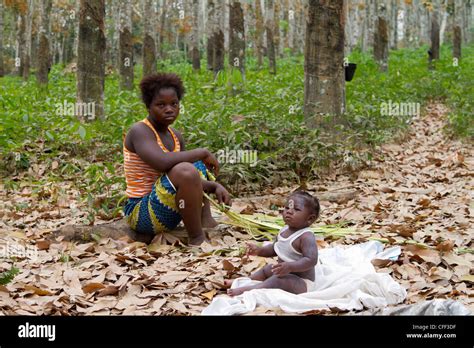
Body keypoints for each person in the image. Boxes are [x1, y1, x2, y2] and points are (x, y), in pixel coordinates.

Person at [123, 73, 231, 246]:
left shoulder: (175, 136)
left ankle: (206, 220)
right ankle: (197, 239)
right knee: (187, 168)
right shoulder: (139, 131)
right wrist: (203, 152)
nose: (169, 109)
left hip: (168, 211)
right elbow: (163, 162)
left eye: (174, 104)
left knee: (194, 166)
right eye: (161, 104)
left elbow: (188, 181)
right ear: (148, 106)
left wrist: (214, 186)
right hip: (142, 213)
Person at [226, 191, 319, 296]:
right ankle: (246, 281)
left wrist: (290, 267)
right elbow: (275, 248)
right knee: (268, 268)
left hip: (302, 282)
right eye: (287, 208)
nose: (289, 212)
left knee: (277, 280)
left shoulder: (306, 236)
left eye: (296, 209)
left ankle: (250, 289)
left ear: (310, 218)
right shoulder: (284, 230)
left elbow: (311, 260)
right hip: (285, 273)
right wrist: (259, 250)